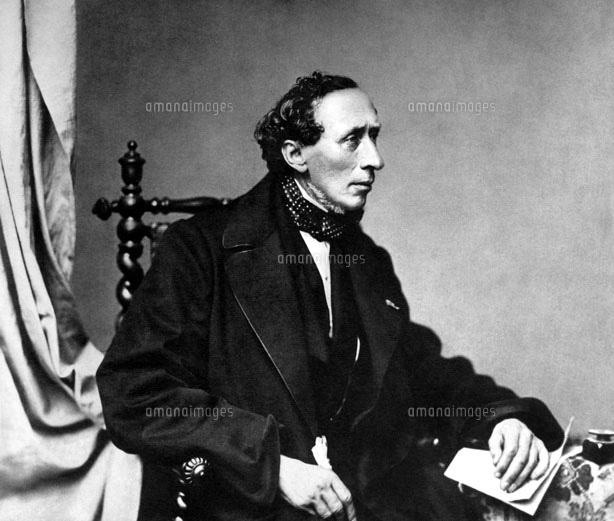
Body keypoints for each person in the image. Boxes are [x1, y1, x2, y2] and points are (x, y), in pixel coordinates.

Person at [97, 71, 563, 521]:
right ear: (295, 154)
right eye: (353, 140)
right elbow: (134, 392)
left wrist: (501, 419)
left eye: (374, 136)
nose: (375, 159)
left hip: (369, 503)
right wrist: (272, 465)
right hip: (253, 507)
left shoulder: (366, 259)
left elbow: (422, 372)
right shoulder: (201, 249)